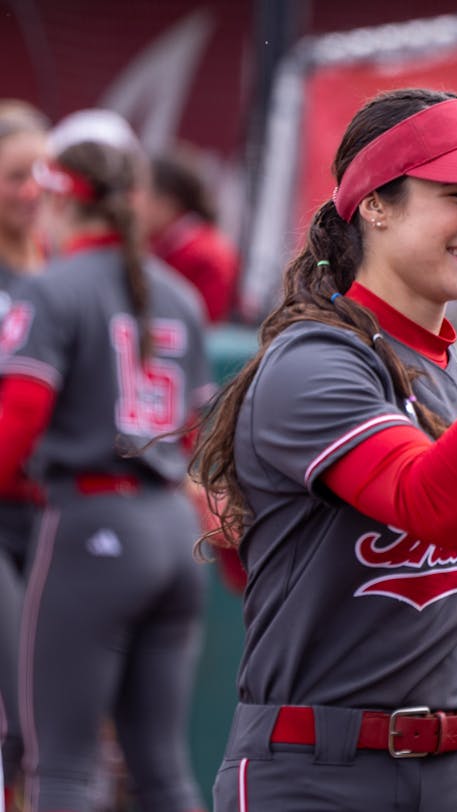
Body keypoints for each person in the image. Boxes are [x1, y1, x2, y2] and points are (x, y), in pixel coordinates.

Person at [191, 87, 457, 811]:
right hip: (315, 775)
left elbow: (454, 590)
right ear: (375, 205)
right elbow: (434, 506)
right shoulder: (315, 361)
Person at [0, 109, 212, 812]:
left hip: (91, 525)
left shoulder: (54, 289)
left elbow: (18, 420)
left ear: (62, 198)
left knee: (61, 765)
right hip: (172, 533)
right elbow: (203, 442)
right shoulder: (178, 295)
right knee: (160, 770)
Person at [0, 99, 48, 812]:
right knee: (20, 710)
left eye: (44, 173)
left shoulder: (72, 268)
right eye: (17, 175)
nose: (35, 189)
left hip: (63, 517)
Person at [145, 149, 240, 323]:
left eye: (142, 196)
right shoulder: (158, 243)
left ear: (167, 202)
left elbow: (208, 324)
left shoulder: (209, 254)